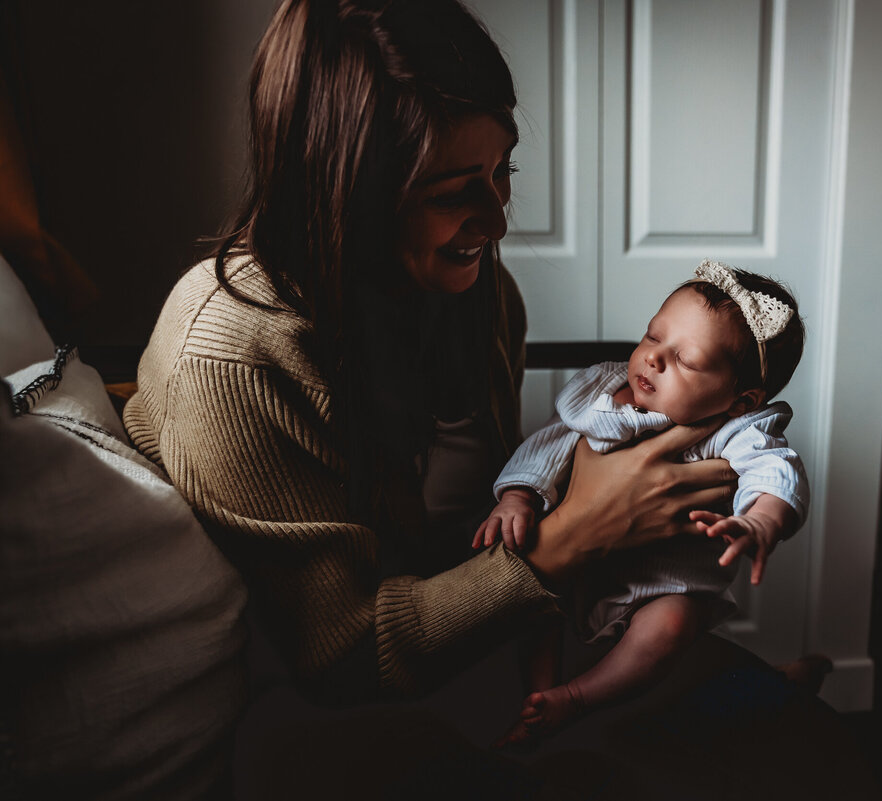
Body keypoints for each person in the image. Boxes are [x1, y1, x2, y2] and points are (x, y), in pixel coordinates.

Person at [122, 0, 735, 719]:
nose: (499, 218)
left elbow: (471, 532)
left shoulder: (478, 294)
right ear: (345, 192)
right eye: (454, 192)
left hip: (469, 652)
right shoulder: (233, 359)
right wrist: (573, 536)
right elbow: (338, 657)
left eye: (503, 168)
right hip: (303, 718)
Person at [474, 259, 810, 747]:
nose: (653, 359)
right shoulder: (603, 393)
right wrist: (518, 496)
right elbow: (548, 443)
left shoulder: (737, 430)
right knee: (530, 594)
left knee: (673, 625)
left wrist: (760, 519)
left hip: (659, 592)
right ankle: (539, 695)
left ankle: (576, 698)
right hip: (571, 571)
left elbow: (776, 469)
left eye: (686, 360)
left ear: (741, 400)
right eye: (653, 337)